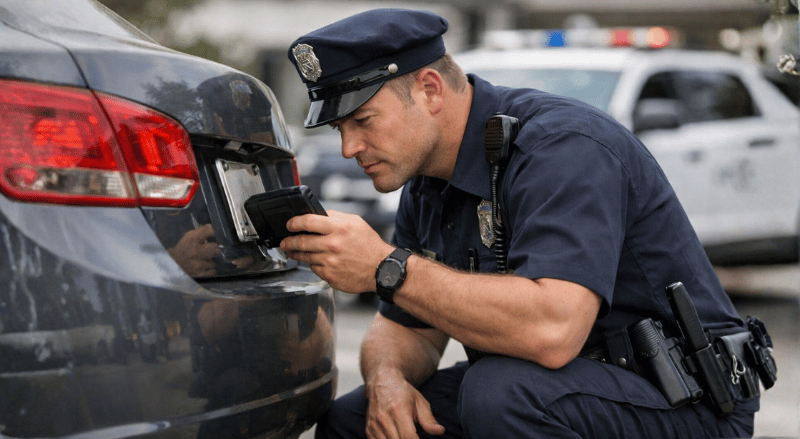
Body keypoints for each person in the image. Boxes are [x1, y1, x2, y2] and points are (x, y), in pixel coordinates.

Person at [281, 8, 769, 439]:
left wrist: (387, 267)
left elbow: (552, 332)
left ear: (429, 89)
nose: (348, 148)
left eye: (363, 120)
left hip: (687, 399)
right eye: (339, 129)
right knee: (356, 419)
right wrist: (389, 383)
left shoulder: (562, 149)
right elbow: (405, 330)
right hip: (564, 389)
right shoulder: (426, 181)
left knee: (499, 393)